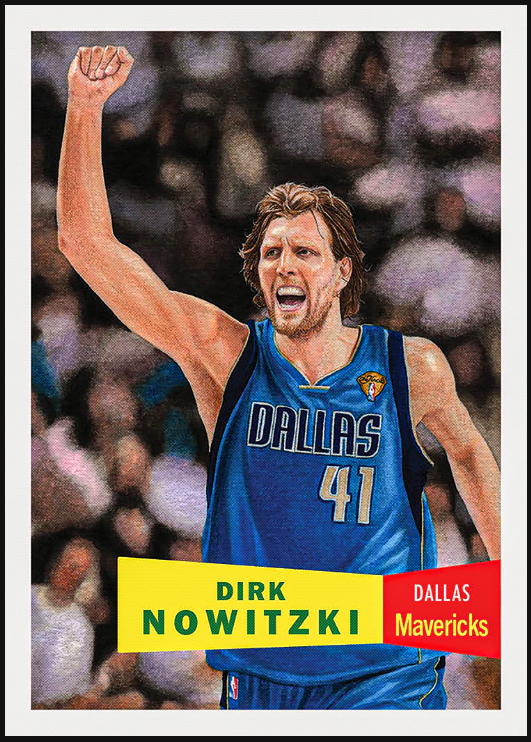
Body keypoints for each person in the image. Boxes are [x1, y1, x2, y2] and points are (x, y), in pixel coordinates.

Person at [56, 46, 500, 710]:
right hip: (264, 654)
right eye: (270, 253)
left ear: (342, 273)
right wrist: (85, 107)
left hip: (385, 656)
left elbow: (467, 452)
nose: (284, 265)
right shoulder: (226, 354)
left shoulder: (412, 366)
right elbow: (86, 245)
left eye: (303, 251)